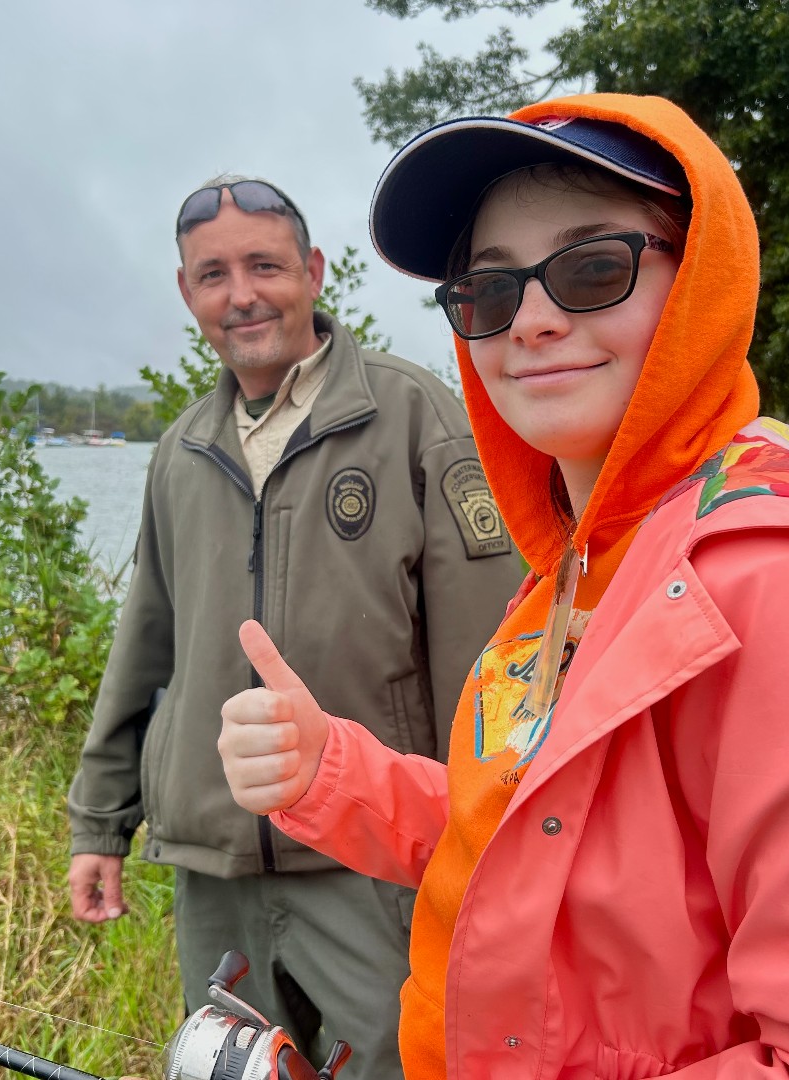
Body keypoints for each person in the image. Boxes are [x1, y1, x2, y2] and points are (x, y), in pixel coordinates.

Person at [217, 94, 789, 1079]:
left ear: (699, 279)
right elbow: (541, 841)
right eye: (487, 290)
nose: (530, 321)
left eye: (592, 269)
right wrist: (335, 776)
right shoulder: (579, 566)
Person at [66, 175, 525, 1079]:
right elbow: (145, 649)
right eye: (212, 274)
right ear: (186, 292)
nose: (241, 294)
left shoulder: (416, 417)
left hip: (374, 869)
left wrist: (488, 847)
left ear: (312, 271)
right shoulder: (180, 451)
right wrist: (98, 825)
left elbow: (491, 659)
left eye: (265, 265)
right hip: (216, 873)